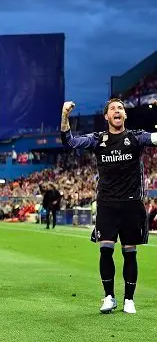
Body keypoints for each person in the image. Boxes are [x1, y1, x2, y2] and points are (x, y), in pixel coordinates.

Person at [61, 98, 157, 314]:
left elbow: (154, 137)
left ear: (125, 115)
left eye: (120, 108)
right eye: (113, 108)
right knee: (106, 250)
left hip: (132, 204)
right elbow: (69, 143)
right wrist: (65, 116)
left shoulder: (136, 137)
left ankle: (129, 300)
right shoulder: (97, 140)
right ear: (106, 116)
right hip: (107, 204)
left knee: (129, 252)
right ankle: (109, 297)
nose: (117, 110)